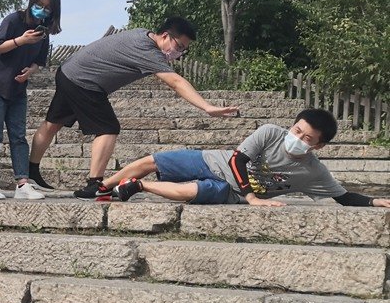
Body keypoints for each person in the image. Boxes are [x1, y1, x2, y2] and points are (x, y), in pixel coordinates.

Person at [25, 17, 240, 199]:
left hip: (69, 71)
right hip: (85, 81)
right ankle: (94, 184)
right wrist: (207, 107)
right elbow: (176, 82)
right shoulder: (148, 51)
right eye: (179, 47)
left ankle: (31, 172)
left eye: (184, 50)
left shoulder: (141, 34)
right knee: (108, 127)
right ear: (165, 36)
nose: (180, 53)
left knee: (52, 123)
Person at [102, 108, 390, 207]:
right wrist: (252, 197)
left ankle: (138, 186)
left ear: (319, 146)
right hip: (213, 161)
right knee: (152, 160)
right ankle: (102, 187)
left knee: (196, 191)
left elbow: (342, 197)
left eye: (307, 138)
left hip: (231, 192)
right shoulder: (271, 132)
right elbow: (238, 160)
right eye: (297, 130)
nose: (298, 138)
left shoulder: (314, 171)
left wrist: (374, 201)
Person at [0, 0, 62, 200]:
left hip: (17, 88)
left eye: (47, 8)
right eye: (39, 5)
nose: (42, 10)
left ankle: (23, 183)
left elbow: (39, 62)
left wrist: (30, 71)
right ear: (32, 1)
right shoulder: (14, 20)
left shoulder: (43, 32)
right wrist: (20, 41)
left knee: (19, 136)